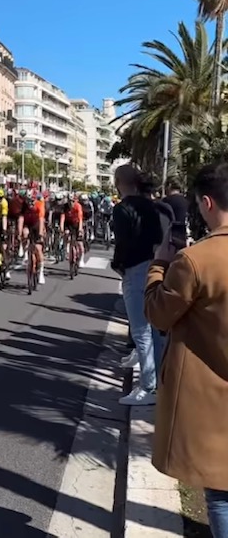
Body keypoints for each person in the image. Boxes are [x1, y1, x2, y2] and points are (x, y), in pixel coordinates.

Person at [144, 162, 228, 538]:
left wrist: (160, 264)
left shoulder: (195, 260)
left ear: (207, 203)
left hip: (212, 399)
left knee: (221, 494)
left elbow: (158, 314)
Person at [112, 165, 165, 406]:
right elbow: (157, 238)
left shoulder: (122, 209)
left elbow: (122, 242)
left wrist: (118, 264)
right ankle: (158, 382)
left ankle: (147, 387)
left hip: (133, 269)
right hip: (152, 267)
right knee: (153, 329)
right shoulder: (150, 206)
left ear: (118, 182)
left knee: (140, 331)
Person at [17, 190, 46, 284]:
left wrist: (40, 234)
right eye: (28, 201)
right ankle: (25, 251)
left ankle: (41, 272)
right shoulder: (24, 205)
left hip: (36, 224)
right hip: (27, 224)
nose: (30, 203)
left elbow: (41, 220)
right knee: (25, 233)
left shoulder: (40, 205)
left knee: (38, 248)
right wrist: (19, 233)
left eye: (32, 201)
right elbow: (21, 219)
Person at [61, 193, 85, 267]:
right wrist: (61, 228)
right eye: (69, 201)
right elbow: (62, 217)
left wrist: (80, 229)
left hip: (76, 223)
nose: (71, 203)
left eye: (72, 201)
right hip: (68, 223)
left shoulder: (78, 206)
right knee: (66, 234)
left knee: (80, 243)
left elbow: (80, 219)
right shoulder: (65, 206)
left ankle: (81, 259)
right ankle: (66, 249)